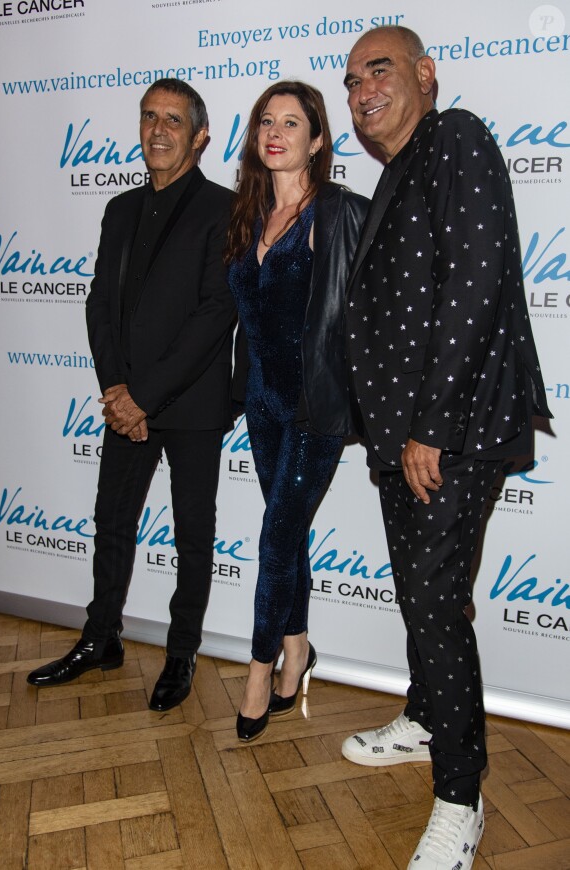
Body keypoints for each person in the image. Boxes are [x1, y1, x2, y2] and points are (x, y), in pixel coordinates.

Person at [339, 25, 552, 870]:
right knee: (424, 598)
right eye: (352, 80)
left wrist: (429, 423)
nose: (362, 91)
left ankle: (460, 802)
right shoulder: (398, 171)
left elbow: (476, 279)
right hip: (407, 435)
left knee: (430, 602)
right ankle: (427, 718)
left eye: (379, 71)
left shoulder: (455, 136)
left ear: (426, 75)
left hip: (449, 432)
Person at [27, 79, 236, 712]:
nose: (158, 129)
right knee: (112, 522)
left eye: (173, 119)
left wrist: (143, 395)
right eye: (149, 117)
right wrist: (116, 389)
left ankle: (180, 654)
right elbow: (100, 304)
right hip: (126, 404)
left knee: (193, 538)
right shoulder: (119, 209)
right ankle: (101, 639)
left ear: (199, 136)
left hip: (193, 406)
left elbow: (214, 314)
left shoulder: (224, 209)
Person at [226, 81, 369, 742]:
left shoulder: (336, 213)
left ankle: (259, 672)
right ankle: (298, 648)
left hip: (314, 412)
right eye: (265, 122)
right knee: (290, 537)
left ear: (316, 140)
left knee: (276, 538)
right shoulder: (249, 213)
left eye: (292, 122)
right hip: (262, 405)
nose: (275, 132)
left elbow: (372, 310)